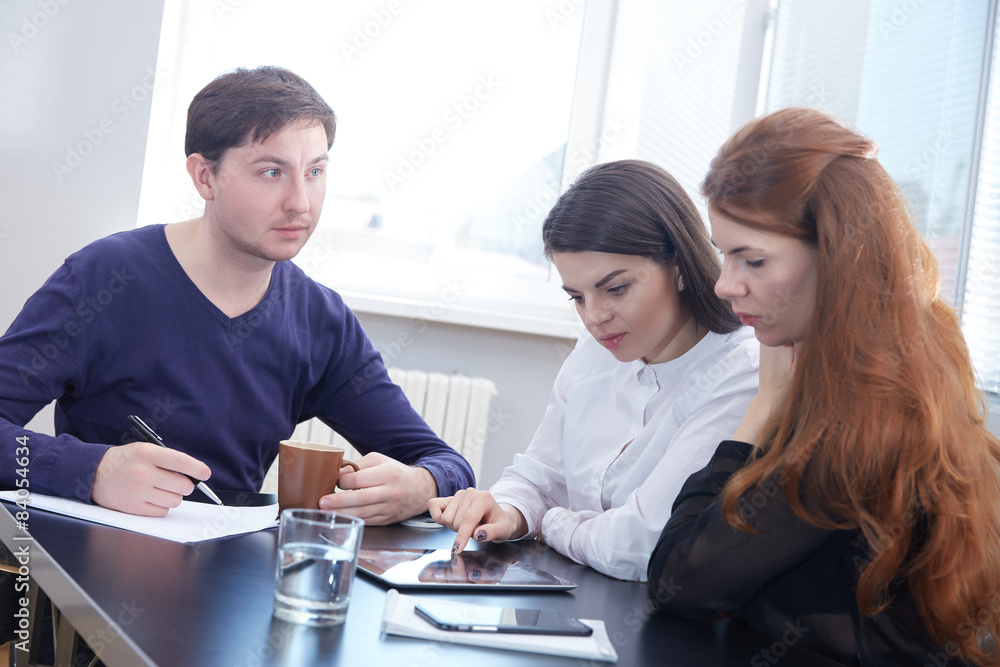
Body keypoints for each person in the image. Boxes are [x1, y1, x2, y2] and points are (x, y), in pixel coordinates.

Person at [0, 66, 474, 523]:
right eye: (272, 172)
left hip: (234, 574)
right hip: (94, 572)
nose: (300, 202)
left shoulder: (320, 318)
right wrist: (94, 471)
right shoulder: (101, 279)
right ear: (205, 177)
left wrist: (423, 484)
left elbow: (444, 462)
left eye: (314, 172)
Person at [647, 108, 1000, 665]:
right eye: (724, 254)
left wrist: (763, 405)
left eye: (753, 259)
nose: (724, 284)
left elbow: (679, 579)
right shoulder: (899, 368)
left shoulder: (863, 422)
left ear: (839, 259)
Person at [429, 160, 759, 581]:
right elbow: (540, 477)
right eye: (577, 298)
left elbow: (639, 545)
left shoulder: (739, 373)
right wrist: (509, 511)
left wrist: (550, 523)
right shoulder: (596, 353)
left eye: (616, 288)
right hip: (569, 595)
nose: (595, 317)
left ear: (678, 265)